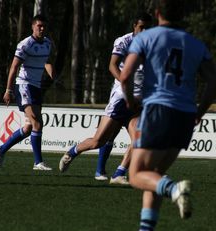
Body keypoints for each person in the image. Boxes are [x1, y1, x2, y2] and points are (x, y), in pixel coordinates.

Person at [120, 0, 216, 229]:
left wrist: (130, 101)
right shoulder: (195, 44)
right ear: (182, 15)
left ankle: (175, 190)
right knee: (154, 176)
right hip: (185, 115)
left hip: (158, 110)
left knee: (136, 175)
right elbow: (214, 81)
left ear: (157, 14)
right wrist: (200, 111)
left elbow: (125, 76)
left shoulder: (146, 37)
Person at [58, 13, 152, 185]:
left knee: (141, 139)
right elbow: (112, 65)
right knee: (98, 141)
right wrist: (125, 84)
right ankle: (72, 152)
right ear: (134, 27)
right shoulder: (123, 41)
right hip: (121, 98)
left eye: (147, 28)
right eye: (141, 27)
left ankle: (119, 173)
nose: (144, 31)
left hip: (138, 101)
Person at [0, 15, 55, 170]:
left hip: (36, 87)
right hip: (23, 85)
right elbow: (14, 67)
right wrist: (8, 90)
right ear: (33, 26)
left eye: (44, 26)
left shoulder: (47, 43)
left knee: (29, 127)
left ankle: (1, 149)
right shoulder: (25, 44)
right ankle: (38, 162)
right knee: (36, 123)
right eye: (39, 26)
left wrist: (54, 78)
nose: (41, 28)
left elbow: (47, 62)